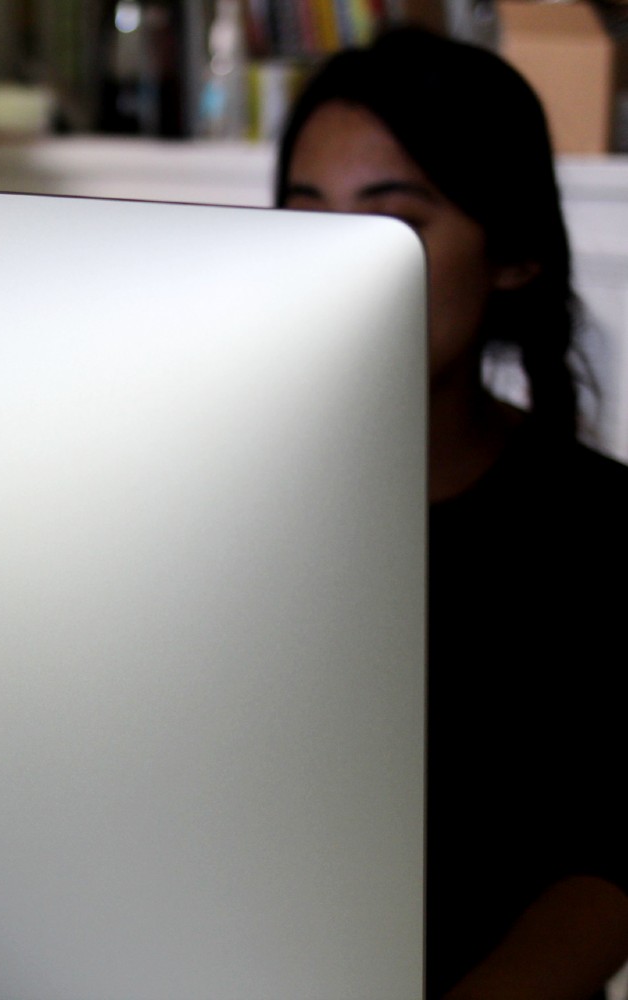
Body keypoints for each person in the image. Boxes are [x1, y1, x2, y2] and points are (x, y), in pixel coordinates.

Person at [275, 27, 628, 1000]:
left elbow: (607, 863)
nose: (333, 265)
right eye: (305, 215)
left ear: (512, 255)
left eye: (393, 225)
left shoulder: (601, 530)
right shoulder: (220, 522)